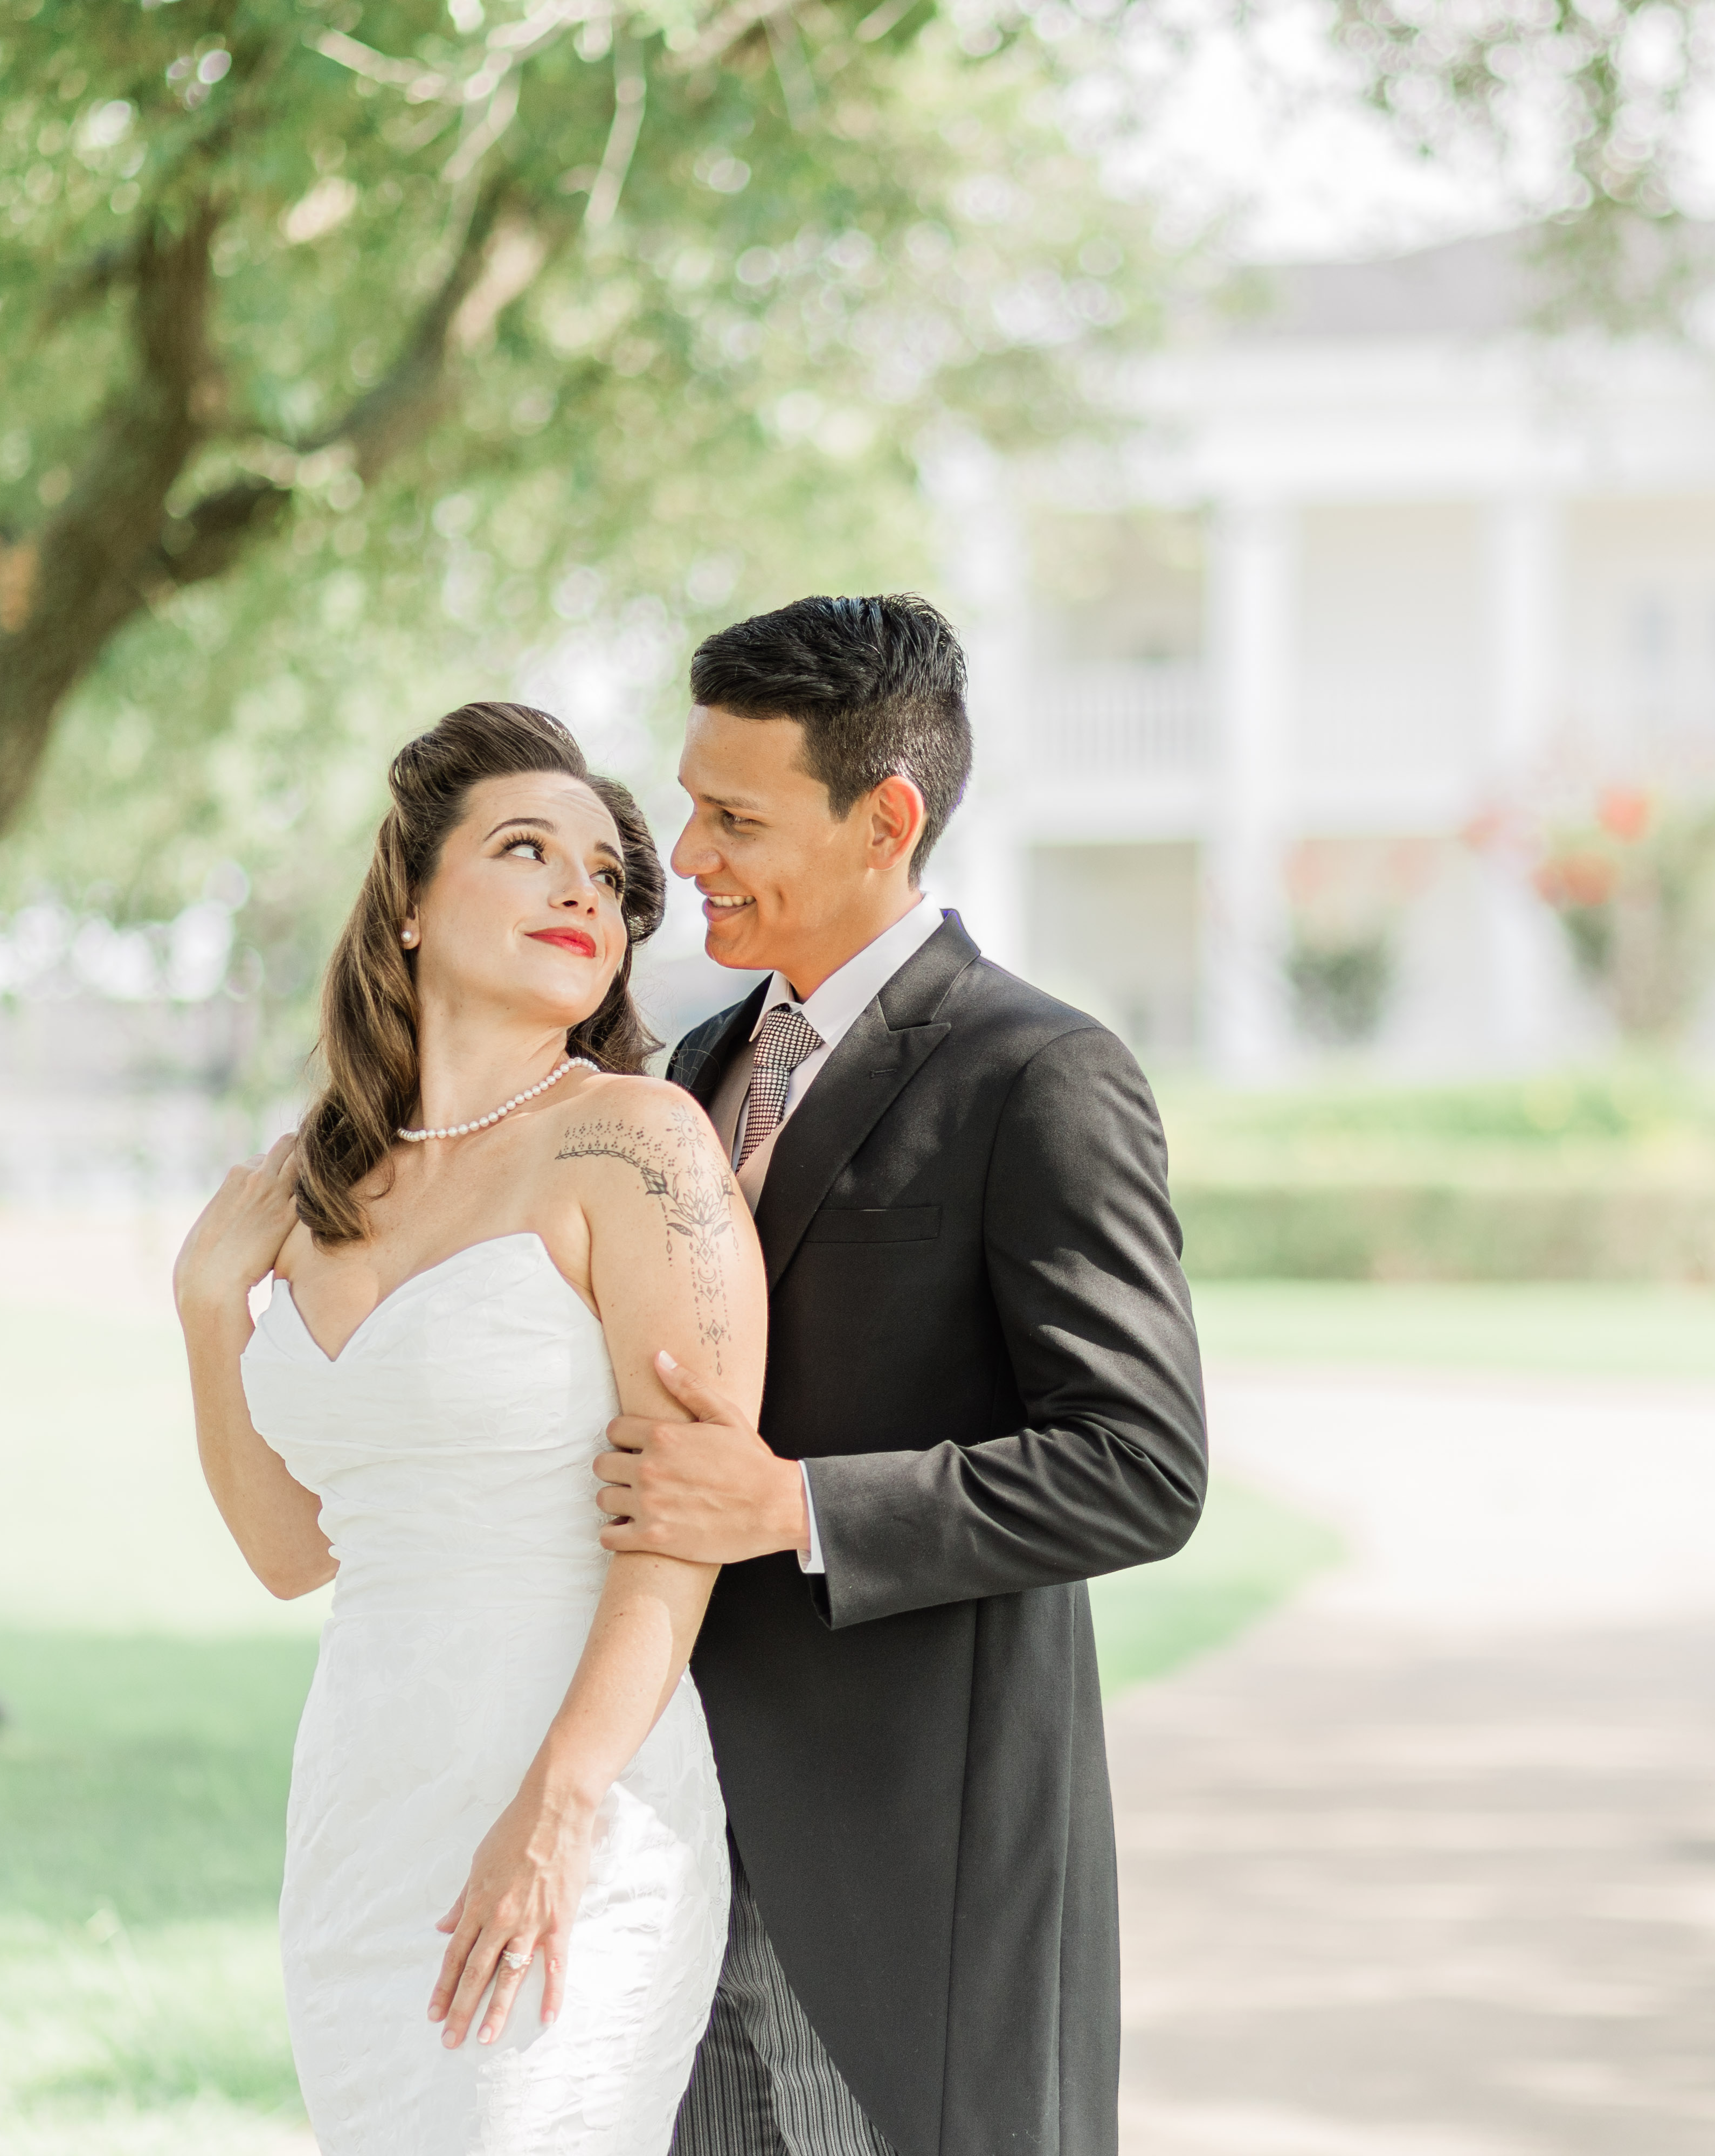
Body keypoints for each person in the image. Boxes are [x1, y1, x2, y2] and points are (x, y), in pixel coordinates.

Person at [594, 595, 1208, 2156]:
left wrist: (797, 1504)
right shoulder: (695, 1068)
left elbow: (1141, 1463)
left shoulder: (1040, 1076)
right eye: (689, 802)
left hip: (907, 1881)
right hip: (679, 1847)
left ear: (888, 820)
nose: (690, 855)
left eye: (735, 817)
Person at [171, 702, 757, 2155]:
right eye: (525, 849)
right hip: (365, 1812)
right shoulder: (325, 1182)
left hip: (580, 1802)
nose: (584, 891)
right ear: (414, 906)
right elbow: (289, 1553)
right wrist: (204, 1309)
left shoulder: (637, 1142)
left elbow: (682, 1527)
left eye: (610, 879)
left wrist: (559, 1808)